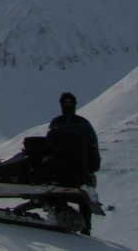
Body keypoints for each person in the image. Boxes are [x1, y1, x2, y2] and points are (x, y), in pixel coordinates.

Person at [47, 91, 100, 236]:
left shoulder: (83, 123)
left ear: (74, 104)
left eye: (70, 102)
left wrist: (92, 165)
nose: (68, 105)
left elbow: (93, 143)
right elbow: (49, 143)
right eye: (65, 102)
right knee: (58, 193)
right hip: (60, 166)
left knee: (84, 196)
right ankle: (60, 219)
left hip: (81, 167)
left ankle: (85, 226)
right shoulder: (56, 122)